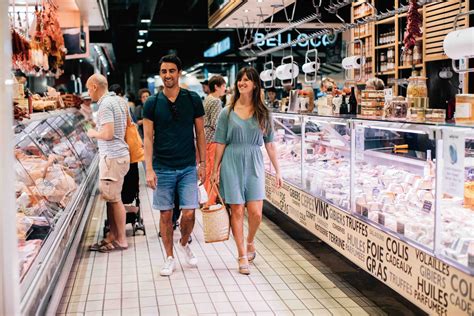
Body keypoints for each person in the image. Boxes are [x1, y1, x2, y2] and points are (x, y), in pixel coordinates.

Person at [211, 67, 282, 275]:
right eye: (240, 80)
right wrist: (215, 169)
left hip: (254, 162)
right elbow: (220, 142)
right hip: (232, 161)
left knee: (256, 213)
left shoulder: (264, 113)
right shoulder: (227, 112)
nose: (242, 83)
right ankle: (241, 254)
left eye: (246, 80)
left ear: (254, 84)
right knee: (237, 210)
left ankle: (250, 241)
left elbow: (270, 144)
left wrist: (278, 170)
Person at [143, 55, 206, 276]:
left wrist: (203, 162)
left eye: (171, 71)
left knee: (189, 213)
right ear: (160, 74)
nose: (167, 75)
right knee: (166, 215)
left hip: (188, 166)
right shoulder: (152, 103)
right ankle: (169, 257)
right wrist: (148, 169)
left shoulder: (192, 99)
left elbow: (199, 132)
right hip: (163, 168)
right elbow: (148, 138)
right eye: (164, 71)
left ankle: (184, 242)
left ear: (179, 72)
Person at [86, 74, 130, 252]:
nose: (89, 92)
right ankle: (112, 235)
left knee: (115, 200)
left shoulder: (104, 105)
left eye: (89, 88)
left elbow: (108, 134)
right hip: (120, 155)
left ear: (95, 86)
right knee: (112, 199)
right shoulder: (118, 101)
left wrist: (93, 133)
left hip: (112, 158)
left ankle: (121, 239)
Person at [203, 75, 226, 204]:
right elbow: (216, 124)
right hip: (213, 140)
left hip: (206, 139)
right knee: (213, 171)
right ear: (216, 86)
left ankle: (206, 198)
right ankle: (210, 202)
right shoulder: (216, 101)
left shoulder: (207, 99)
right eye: (223, 86)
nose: (225, 89)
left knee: (207, 170)